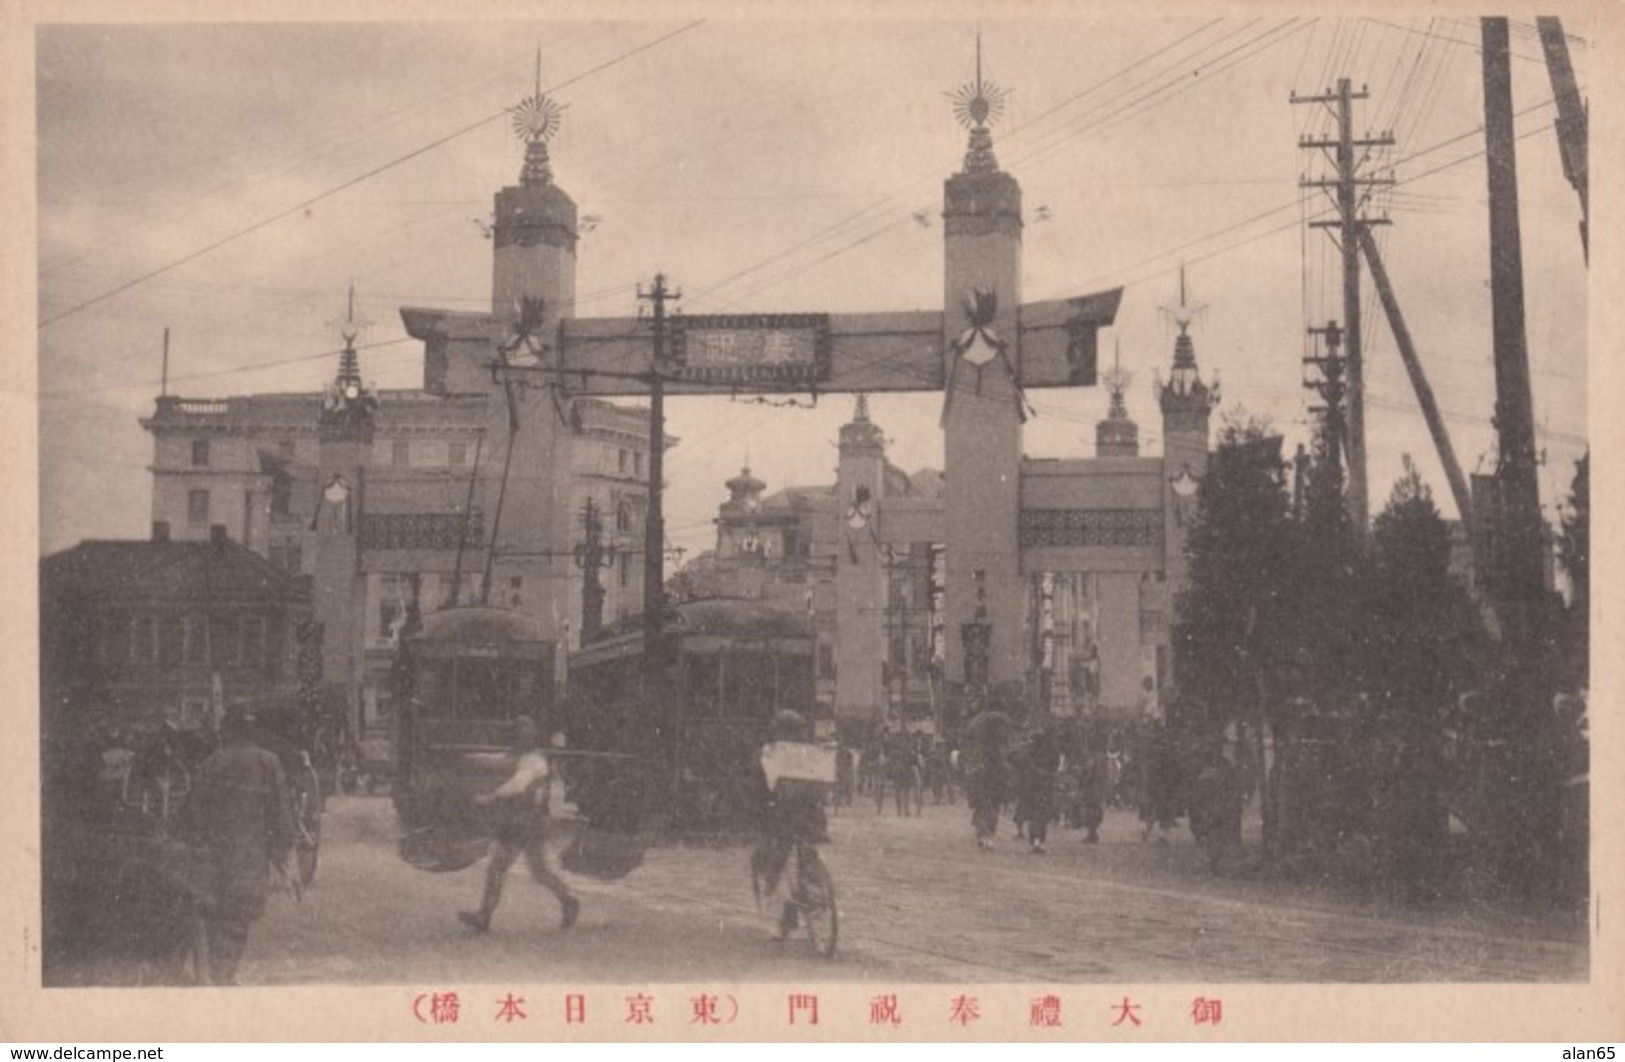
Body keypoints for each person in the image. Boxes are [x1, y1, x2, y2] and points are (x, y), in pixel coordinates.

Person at [183, 706, 295, 985]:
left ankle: (216, 975)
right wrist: (282, 851)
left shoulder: (212, 762)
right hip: (250, 855)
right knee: (238, 919)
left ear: (227, 731)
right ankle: (224, 976)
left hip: (214, 857)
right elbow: (281, 813)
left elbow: (191, 812)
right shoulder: (268, 762)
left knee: (216, 917)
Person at [459, 717, 580, 934]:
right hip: (524, 821)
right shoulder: (521, 757)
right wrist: (470, 758)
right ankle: (568, 900)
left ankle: (484, 916)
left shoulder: (534, 760)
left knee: (501, 867)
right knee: (538, 871)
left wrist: (492, 796)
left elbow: (518, 784)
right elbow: (497, 760)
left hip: (525, 821)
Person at [752, 710, 828, 939]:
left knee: (774, 863)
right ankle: (812, 898)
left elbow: (761, 785)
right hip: (811, 816)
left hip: (783, 817)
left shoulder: (770, 753)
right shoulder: (810, 754)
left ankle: (782, 918)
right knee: (806, 857)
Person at [1018, 726, 1061, 854]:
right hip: (1044, 784)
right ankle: (1038, 841)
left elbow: (1024, 764)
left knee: (1036, 814)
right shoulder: (1051, 751)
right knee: (1042, 814)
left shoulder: (1029, 752)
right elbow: (1055, 765)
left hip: (1033, 785)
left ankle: (1037, 841)